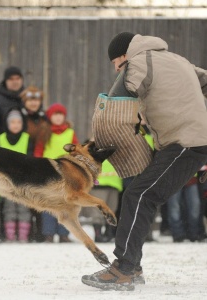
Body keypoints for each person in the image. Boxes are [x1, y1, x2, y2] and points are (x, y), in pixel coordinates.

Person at [82, 32, 207, 291]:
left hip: (185, 142)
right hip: (186, 141)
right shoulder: (176, 59)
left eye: (116, 63)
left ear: (124, 55)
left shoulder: (138, 62)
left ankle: (124, 269)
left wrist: (104, 130)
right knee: (140, 194)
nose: (116, 69)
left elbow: (120, 96)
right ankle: (132, 266)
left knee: (139, 196)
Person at [34, 103, 79, 243]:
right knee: (49, 205)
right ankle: (48, 234)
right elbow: (38, 152)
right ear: (50, 117)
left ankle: (64, 234)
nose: (58, 117)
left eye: (61, 114)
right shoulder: (44, 133)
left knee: (65, 205)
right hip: (48, 173)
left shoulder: (70, 133)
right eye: (55, 114)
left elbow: (76, 152)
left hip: (66, 174)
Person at [0, 108, 34, 242]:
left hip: (24, 181)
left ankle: (23, 235)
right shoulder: (1, 138)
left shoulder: (26, 138)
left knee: (24, 208)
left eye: (18, 122)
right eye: (12, 122)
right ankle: (10, 235)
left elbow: (30, 159)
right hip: (6, 181)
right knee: (9, 208)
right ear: (7, 124)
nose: (15, 125)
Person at [20, 86, 50, 242]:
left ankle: (40, 231)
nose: (33, 103)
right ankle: (25, 231)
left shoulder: (44, 119)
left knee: (39, 198)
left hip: (39, 162)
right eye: (30, 100)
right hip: (23, 162)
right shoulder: (19, 118)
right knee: (24, 197)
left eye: (36, 100)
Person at [0, 66, 25, 135]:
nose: (15, 82)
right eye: (11, 79)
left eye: (17, 78)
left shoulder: (27, 100)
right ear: (5, 81)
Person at [167, 176, 204, 242]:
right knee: (174, 208)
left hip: (191, 178)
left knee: (194, 207)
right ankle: (178, 235)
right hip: (173, 179)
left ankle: (194, 233)